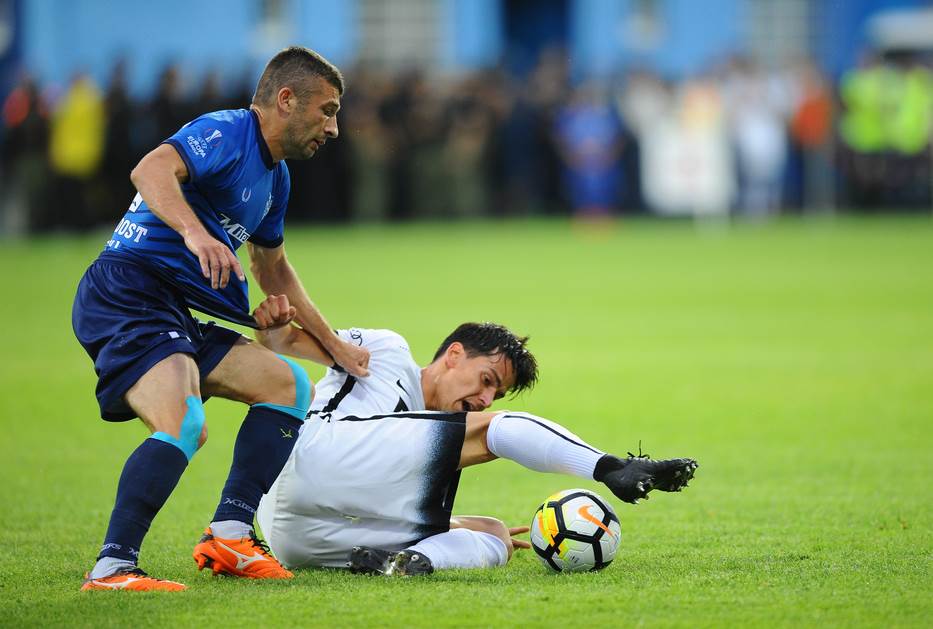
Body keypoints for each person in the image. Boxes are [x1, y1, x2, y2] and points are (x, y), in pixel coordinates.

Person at [73, 47, 370, 592]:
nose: (333, 127)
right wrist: (195, 232)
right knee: (184, 424)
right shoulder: (228, 131)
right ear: (286, 99)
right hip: (128, 292)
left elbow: (272, 269)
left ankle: (231, 535)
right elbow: (151, 168)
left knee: (287, 385)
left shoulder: (276, 179)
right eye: (327, 110)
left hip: (172, 309)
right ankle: (112, 568)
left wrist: (330, 343)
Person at [253, 317, 698, 575]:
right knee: (492, 431)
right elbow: (284, 340)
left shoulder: (418, 444)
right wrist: (273, 329)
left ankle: (412, 562)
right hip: (312, 452)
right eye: (487, 380)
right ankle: (609, 466)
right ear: (453, 355)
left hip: (291, 537)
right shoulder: (390, 351)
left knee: (494, 534)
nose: (484, 399)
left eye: (495, 395)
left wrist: (467, 524)